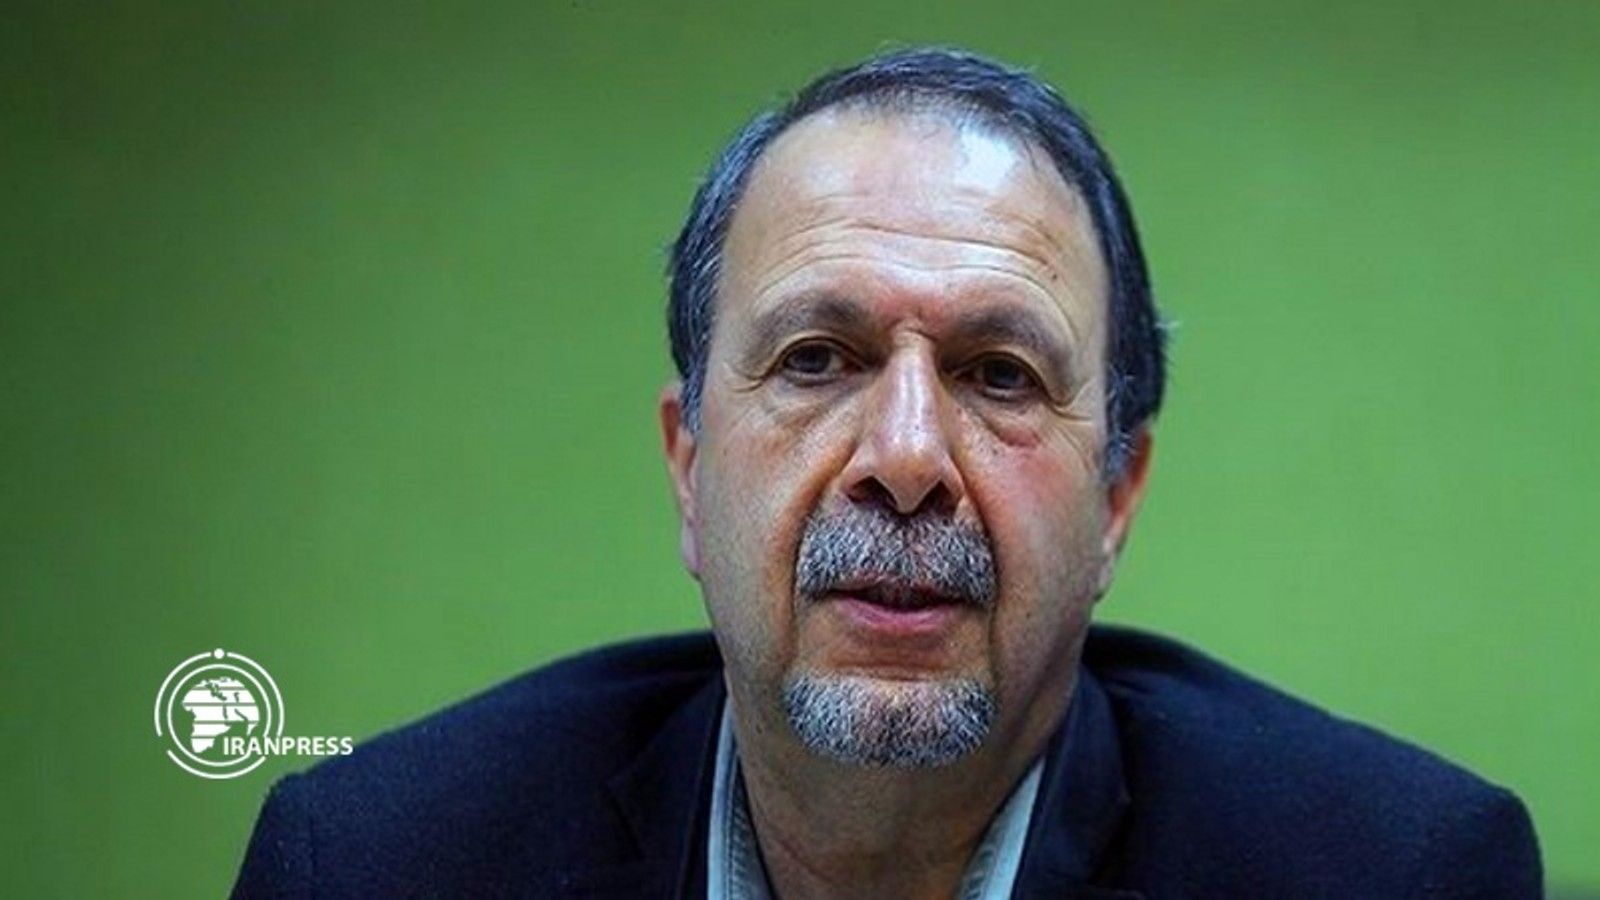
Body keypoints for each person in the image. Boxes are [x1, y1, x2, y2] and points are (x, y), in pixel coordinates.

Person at [231, 47, 1542, 899]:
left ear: (1116, 499)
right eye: (815, 360)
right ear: (689, 467)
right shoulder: (377, 866)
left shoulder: (1395, 872)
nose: (906, 459)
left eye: (999, 375)